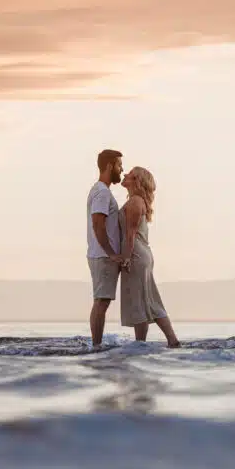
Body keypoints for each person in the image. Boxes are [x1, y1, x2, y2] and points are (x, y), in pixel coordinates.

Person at [118, 166, 181, 348]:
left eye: (129, 173)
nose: (125, 174)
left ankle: (171, 340)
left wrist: (126, 258)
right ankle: (143, 344)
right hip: (141, 254)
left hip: (136, 254)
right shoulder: (136, 201)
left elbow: (130, 235)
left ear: (137, 181)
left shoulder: (135, 202)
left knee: (147, 300)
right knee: (145, 299)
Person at [86, 149, 124, 347]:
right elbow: (97, 224)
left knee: (102, 301)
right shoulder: (102, 192)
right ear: (109, 166)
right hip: (103, 256)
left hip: (101, 255)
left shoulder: (102, 191)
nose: (121, 169)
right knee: (101, 302)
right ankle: (97, 346)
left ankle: (96, 344)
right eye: (119, 165)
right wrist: (111, 254)